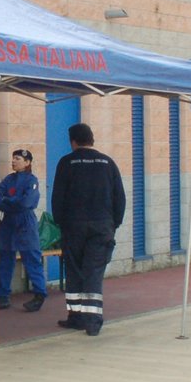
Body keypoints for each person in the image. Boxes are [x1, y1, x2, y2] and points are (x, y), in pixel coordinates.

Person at [49, 123, 126, 337]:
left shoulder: (66, 163)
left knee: (74, 270)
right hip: (102, 226)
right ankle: (93, 323)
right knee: (93, 272)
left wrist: (61, 223)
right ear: (92, 139)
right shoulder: (108, 163)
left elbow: (58, 198)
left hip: (74, 226)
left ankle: (76, 318)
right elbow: (120, 198)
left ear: (73, 141)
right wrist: (113, 224)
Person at [0, 148, 47, 312]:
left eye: (17, 158)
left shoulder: (32, 180)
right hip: (8, 221)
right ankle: (2, 295)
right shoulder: (8, 180)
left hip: (25, 222)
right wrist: (15, 201)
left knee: (31, 257)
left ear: (27, 162)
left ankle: (39, 293)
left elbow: (27, 202)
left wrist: (10, 201)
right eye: (13, 158)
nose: (14, 161)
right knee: (5, 259)